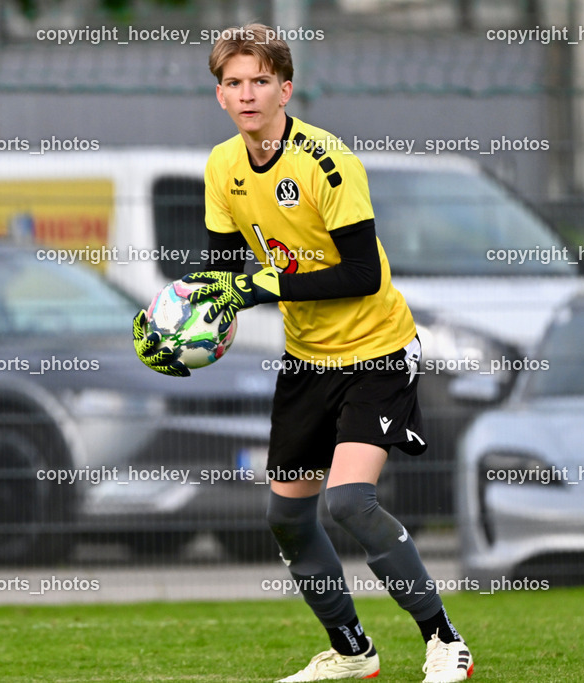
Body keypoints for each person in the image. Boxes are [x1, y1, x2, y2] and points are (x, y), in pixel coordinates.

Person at [132, 23, 474, 682]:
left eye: (260, 80)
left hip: (376, 350)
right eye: (233, 82)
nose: (247, 93)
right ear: (220, 96)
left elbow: (360, 274)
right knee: (286, 516)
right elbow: (224, 272)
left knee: (348, 501)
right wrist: (179, 328)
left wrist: (261, 284)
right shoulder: (222, 166)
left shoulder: (326, 160)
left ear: (285, 88)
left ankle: (444, 640)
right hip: (308, 359)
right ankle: (352, 652)